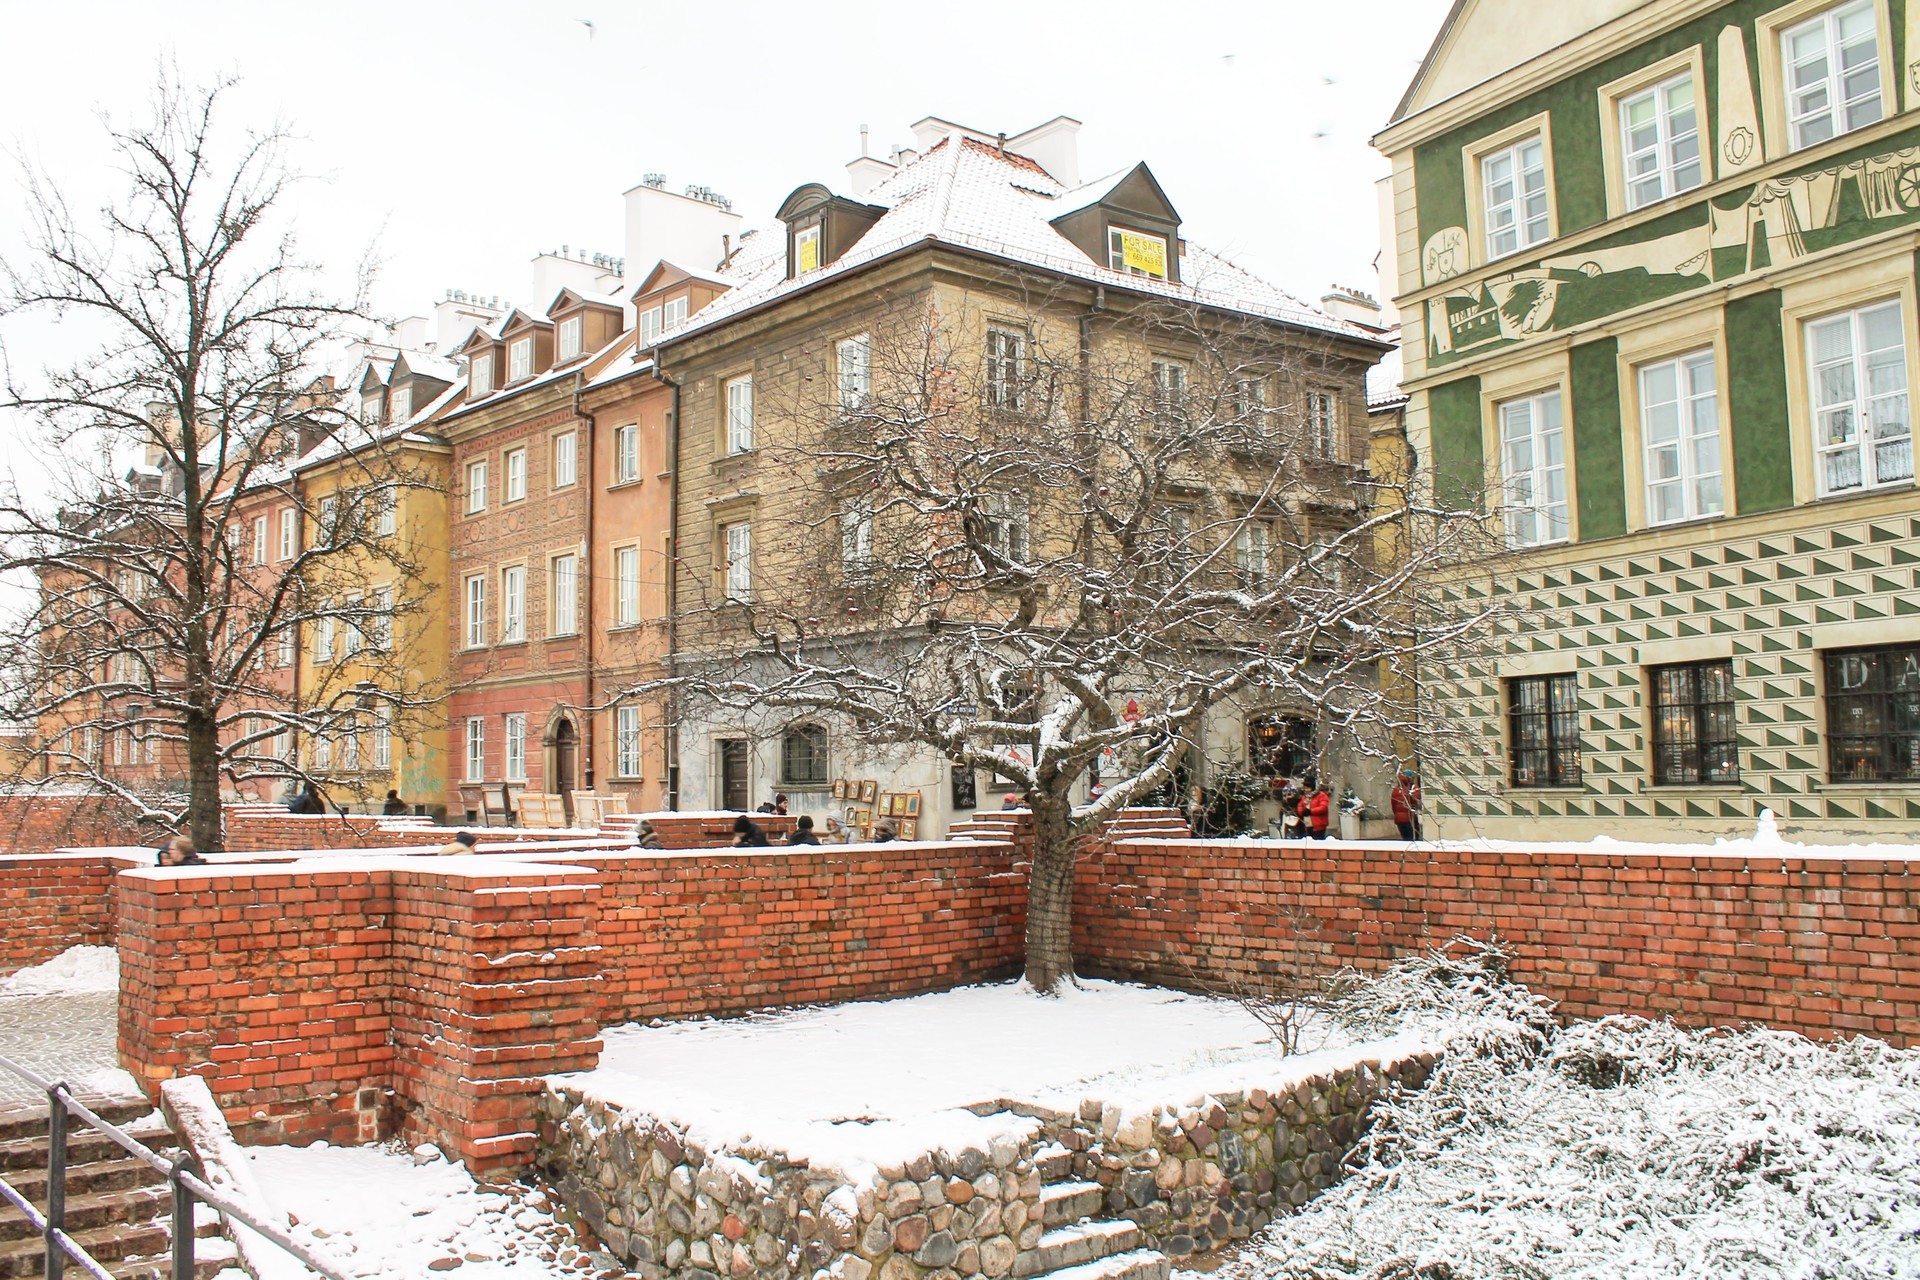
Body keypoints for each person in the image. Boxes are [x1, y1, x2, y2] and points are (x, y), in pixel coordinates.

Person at [1391, 769, 1423, 842]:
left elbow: (1393, 806)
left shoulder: (1396, 790)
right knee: (1413, 840)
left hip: (1399, 820)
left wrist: (1398, 815)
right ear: (1410, 778)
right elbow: (1416, 801)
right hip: (1410, 819)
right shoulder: (1413, 789)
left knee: (1405, 840)